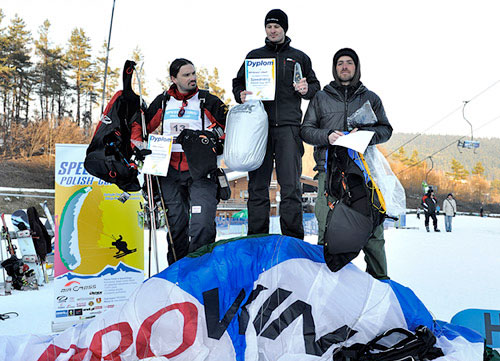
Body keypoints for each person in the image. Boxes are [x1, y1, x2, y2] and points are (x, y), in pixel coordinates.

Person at [300, 48, 393, 279]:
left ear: (356, 67)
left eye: (349, 62)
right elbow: (306, 130)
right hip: (328, 171)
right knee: (327, 227)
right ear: (334, 68)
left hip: (363, 173)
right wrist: (327, 135)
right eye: (340, 63)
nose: (344, 66)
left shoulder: (370, 98)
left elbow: (386, 130)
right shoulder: (320, 97)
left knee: (373, 229)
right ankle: (325, 281)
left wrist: (364, 133)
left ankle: (380, 282)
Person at [232, 9, 320, 240]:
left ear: (284, 29)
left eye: (277, 27)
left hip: (289, 127)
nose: (272, 30)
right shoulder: (254, 56)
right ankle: (256, 239)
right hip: (258, 129)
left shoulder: (299, 57)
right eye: (269, 26)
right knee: (257, 187)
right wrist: (240, 93)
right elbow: (238, 82)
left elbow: (314, 86)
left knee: (290, 186)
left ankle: (292, 240)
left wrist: (306, 89)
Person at [131, 58, 227, 265]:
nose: (192, 78)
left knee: (202, 223)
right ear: (174, 79)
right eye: (186, 75)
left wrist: (207, 136)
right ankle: (177, 271)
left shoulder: (207, 100)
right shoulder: (163, 101)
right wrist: (139, 145)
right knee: (176, 225)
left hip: (201, 171)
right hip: (170, 171)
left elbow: (228, 125)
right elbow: (142, 125)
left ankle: (200, 268)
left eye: (194, 73)